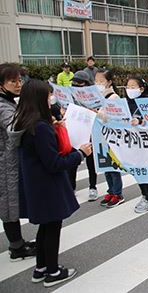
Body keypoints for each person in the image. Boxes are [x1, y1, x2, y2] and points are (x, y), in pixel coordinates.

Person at [14, 79, 92, 287]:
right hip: (47, 186)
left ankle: (41, 268)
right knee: (52, 228)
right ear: (40, 98)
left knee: (45, 227)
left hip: (36, 185)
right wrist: (80, 154)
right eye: (48, 96)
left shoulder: (25, 122)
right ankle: (53, 271)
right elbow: (55, 163)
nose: (51, 99)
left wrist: (53, 127)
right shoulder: (40, 128)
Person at [0, 63, 36, 261]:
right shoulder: (2, 105)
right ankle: (16, 247)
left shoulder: (8, 101)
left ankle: (18, 243)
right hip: (5, 164)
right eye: (12, 81)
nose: (18, 84)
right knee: (8, 204)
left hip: (10, 162)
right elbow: (14, 127)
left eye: (19, 80)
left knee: (10, 202)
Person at [124, 76, 148, 214]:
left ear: (141, 89)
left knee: (145, 171)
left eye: (133, 87)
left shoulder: (147, 103)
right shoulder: (125, 103)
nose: (129, 90)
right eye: (128, 87)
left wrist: (143, 122)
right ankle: (144, 195)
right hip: (131, 143)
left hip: (145, 144)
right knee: (137, 171)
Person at [95, 69, 126, 208]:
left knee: (113, 166)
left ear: (109, 82)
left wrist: (96, 113)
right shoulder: (97, 97)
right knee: (105, 165)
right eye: (96, 81)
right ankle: (110, 191)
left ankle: (118, 193)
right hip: (100, 136)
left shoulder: (113, 98)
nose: (98, 84)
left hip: (112, 137)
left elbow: (112, 118)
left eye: (101, 81)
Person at [67, 71, 98, 200]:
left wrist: (93, 111)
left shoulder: (93, 96)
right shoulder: (70, 95)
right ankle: (71, 187)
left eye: (79, 83)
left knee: (91, 163)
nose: (76, 85)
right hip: (75, 132)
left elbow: (100, 112)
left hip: (89, 132)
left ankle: (93, 187)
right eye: (75, 82)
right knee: (73, 162)